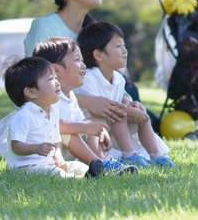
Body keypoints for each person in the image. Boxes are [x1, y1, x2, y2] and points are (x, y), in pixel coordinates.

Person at [23, 0, 149, 126]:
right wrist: (87, 101)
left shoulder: (92, 30)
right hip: (55, 118)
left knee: (135, 106)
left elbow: (105, 74)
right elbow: (33, 83)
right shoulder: (45, 27)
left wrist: (126, 100)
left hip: (95, 113)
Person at [32, 37, 137, 175]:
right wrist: (85, 127)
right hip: (50, 154)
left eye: (82, 60)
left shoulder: (71, 96)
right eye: (77, 60)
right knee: (76, 130)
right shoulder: (49, 99)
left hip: (68, 152)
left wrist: (96, 129)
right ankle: (97, 162)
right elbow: (53, 125)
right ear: (56, 70)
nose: (83, 65)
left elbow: (82, 121)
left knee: (89, 126)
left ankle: (102, 161)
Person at [75, 21, 174, 167]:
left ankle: (157, 155)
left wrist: (132, 106)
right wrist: (128, 110)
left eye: (124, 45)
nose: (124, 50)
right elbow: (100, 110)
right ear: (99, 55)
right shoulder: (89, 78)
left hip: (112, 126)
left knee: (137, 110)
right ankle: (129, 155)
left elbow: (119, 101)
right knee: (120, 114)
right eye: (118, 46)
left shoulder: (118, 78)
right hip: (93, 131)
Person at [2, 56, 93, 178]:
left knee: (78, 166)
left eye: (56, 77)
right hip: (24, 167)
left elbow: (54, 143)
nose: (57, 82)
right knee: (55, 174)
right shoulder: (24, 115)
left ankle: (91, 171)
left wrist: (59, 159)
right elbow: (16, 146)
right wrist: (36, 148)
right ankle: (77, 179)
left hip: (47, 164)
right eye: (51, 79)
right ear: (30, 92)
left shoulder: (53, 111)